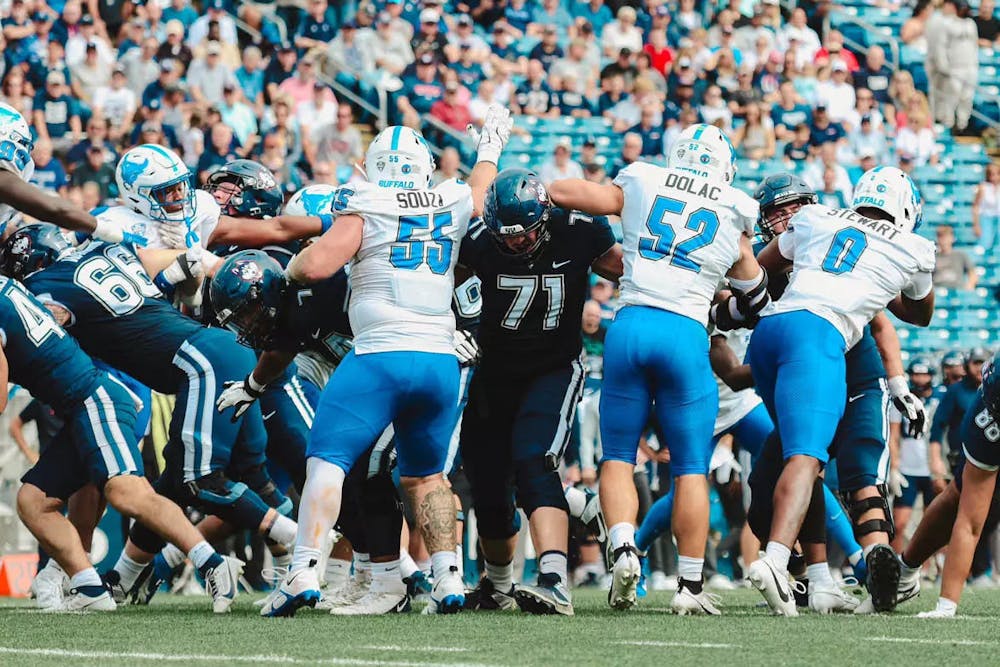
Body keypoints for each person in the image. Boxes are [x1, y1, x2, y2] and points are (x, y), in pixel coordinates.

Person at [253, 109, 512, 617]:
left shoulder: (364, 199)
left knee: (327, 459)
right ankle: (447, 578)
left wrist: (294, 268)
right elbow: (481, 194)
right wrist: (490, 151)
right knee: (427, 477)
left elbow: (317, 265)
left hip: (379, 352)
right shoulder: (451, 195)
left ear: (372, 167)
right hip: (439, 355)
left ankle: (304, 570)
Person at [548, 124, 771, 615]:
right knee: (691, 466)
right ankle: (689, 586)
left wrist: (541, 190)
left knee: (619, 456)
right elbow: (754, 295)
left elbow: (569, 192)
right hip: (686, 333)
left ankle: (624, 544)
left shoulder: (645, 178)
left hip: (630, 325)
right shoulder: (735, 206)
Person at [1, 225, 244, 614]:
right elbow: (184, 257)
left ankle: (211, 563)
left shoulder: (37, 289)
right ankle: (90, 589)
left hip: (95, 400)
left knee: (126, 492)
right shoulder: (90, 260)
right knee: (34, 500)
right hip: (100, 396)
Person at [747, 167, 935, 616]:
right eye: (779, 211)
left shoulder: (818, 222)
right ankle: (790, 562)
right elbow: (919, 313)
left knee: (840, 469)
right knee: (814, 465)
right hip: (820, 347)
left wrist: (728, 306)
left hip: (803, 349)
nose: (787, 216)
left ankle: (868, 565)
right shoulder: (908, 247)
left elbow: (752, 274)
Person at [457, 168, 621, 616]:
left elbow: (626, 269)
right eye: (504, 237)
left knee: (534, 458)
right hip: (493, 373)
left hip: (553, 368)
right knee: (487, 485)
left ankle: (553, 580)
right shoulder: (475, 241)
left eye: (523, 233)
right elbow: (447, 279)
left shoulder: (578, 229)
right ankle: (499, 587)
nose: (515, 244)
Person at [894, 356, 1000, 617]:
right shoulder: (986, 422)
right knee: (960, 501)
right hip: (988, 430)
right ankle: (906, 570)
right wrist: (946, 606)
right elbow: (969, 525)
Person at [890, 357, 942, 552]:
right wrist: (894, 468)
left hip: (932, 468)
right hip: (907, 468)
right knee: (900, 522)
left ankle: (928, 569)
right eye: (916, 374)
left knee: (933, 524)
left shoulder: (941, 398)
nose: (920, 379)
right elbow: (894, 436)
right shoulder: (903, 399)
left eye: (924, 374)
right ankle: (893, 563)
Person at [928, 348, 990, 493]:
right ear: (967, 365)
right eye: (976, 363)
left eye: (984, 363)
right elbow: (937, 428)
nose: (980, 368)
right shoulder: (955, 391)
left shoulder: (994, 391)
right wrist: (936, 463)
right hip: (960, 462)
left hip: (990, 461)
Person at [933, 225, 977, 290]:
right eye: (941, 237)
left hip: (957, 291)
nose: (944, 241)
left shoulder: (961, 255)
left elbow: (972, 274)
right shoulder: (933, 257)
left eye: (946, 237)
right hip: (938, 291)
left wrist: (970, 286)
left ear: (952, 238)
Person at [973, 162, 1000, 256]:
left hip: (999, 219)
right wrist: (976, 225)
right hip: (986, 218)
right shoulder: (983, 187)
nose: (994, 177)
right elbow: (976, 207)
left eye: (997, 173)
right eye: (991, 174)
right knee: (985, 243)